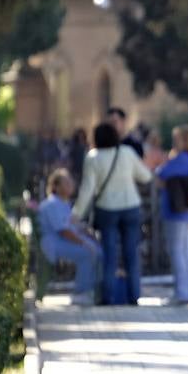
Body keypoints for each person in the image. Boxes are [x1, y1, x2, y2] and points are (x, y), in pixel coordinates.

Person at [73, 121, 153, 305]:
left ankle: (107, 296)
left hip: (107, 208)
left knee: (109, 253)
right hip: (131, 205)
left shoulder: (93, 157)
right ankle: (134, 296)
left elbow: (88, 189)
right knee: (131, 253)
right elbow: (146, 176)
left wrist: (76, 213)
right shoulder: (126, 152)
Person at [36, 168, 101, 305]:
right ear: (56, 186)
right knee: (87, 253)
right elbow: (63, 231)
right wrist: (84, 243)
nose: (70, 186)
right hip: (53, 244)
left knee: (97, 251)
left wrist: (85, 232)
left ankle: (95, 290)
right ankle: (81, 292)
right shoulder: (53, 204)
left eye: (70, 182)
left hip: (61, 241)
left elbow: (71, 225)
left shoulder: (63, 203)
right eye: (66, 183)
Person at [156, 125, 188, 306]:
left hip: (175, 211)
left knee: (177, 252)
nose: (174, 142)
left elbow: (160, 174)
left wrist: (168, 160)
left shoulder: (180, 159)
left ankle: (181, 293)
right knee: (185, 251)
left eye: (177, 139)